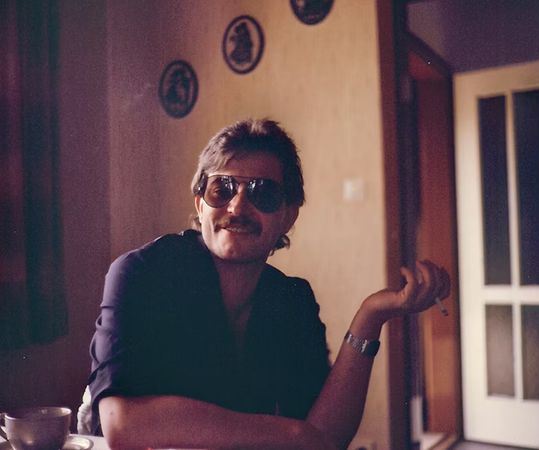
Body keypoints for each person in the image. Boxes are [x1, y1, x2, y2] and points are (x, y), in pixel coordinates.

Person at [87, 118, 450, 450]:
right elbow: (122, 423)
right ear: (200, 205)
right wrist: (291, 434)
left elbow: (325, 437)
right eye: (222, 189)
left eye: (262, 193)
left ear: (287, 217)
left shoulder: (291, 299)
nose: (237, 207)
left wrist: (371, 316)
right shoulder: (140, 274)